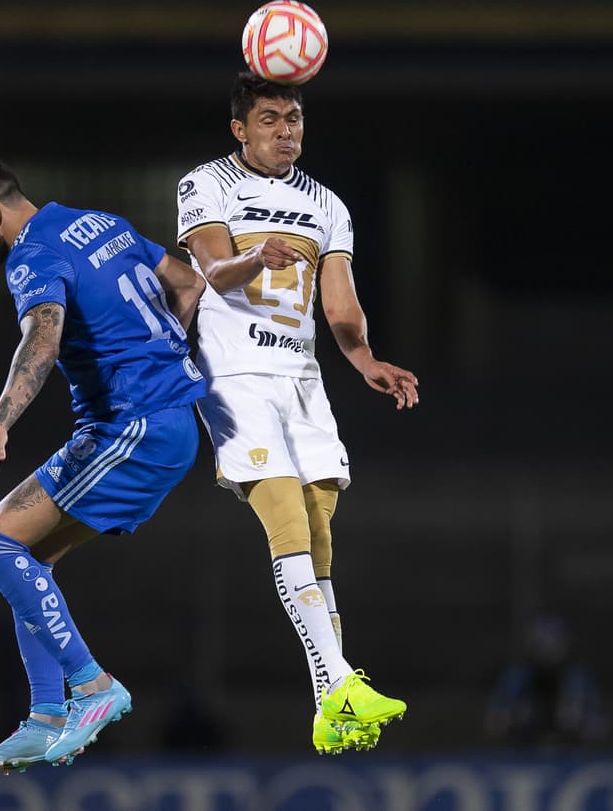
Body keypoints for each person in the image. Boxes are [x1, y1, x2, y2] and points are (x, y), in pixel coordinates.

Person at [0, 156, 207, 772]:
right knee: (29, 561)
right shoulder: (99, 222)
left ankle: (92, 686)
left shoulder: (32, 256)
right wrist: (163, 356)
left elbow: (42, 338)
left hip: (132, 427)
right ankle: (46, 716)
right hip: (163, 424)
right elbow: (188, 282)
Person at [175, 72, 420, 755]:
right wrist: (256, 256)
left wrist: (367, 359)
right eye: (271, 120)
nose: (287, 132)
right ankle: (342, 679)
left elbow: (340, 305)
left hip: (303, 380)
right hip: (236, 377)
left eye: (295, 120)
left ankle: (329, 707)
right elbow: (214, 272)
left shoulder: (327, 205)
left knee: (318, 536)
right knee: (284, 519)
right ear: (240, 129)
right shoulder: (206, 184)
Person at [485, 613, 608, 750]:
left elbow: (600, 724)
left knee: (570, 715)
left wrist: (580, 722)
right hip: (523, 751)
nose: (548, 652)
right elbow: (493, 722)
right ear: (532, 645)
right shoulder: (517, 676)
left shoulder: (579, 678)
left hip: (572, 750)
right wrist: (514, 717)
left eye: (554, 645)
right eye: (542, 645)